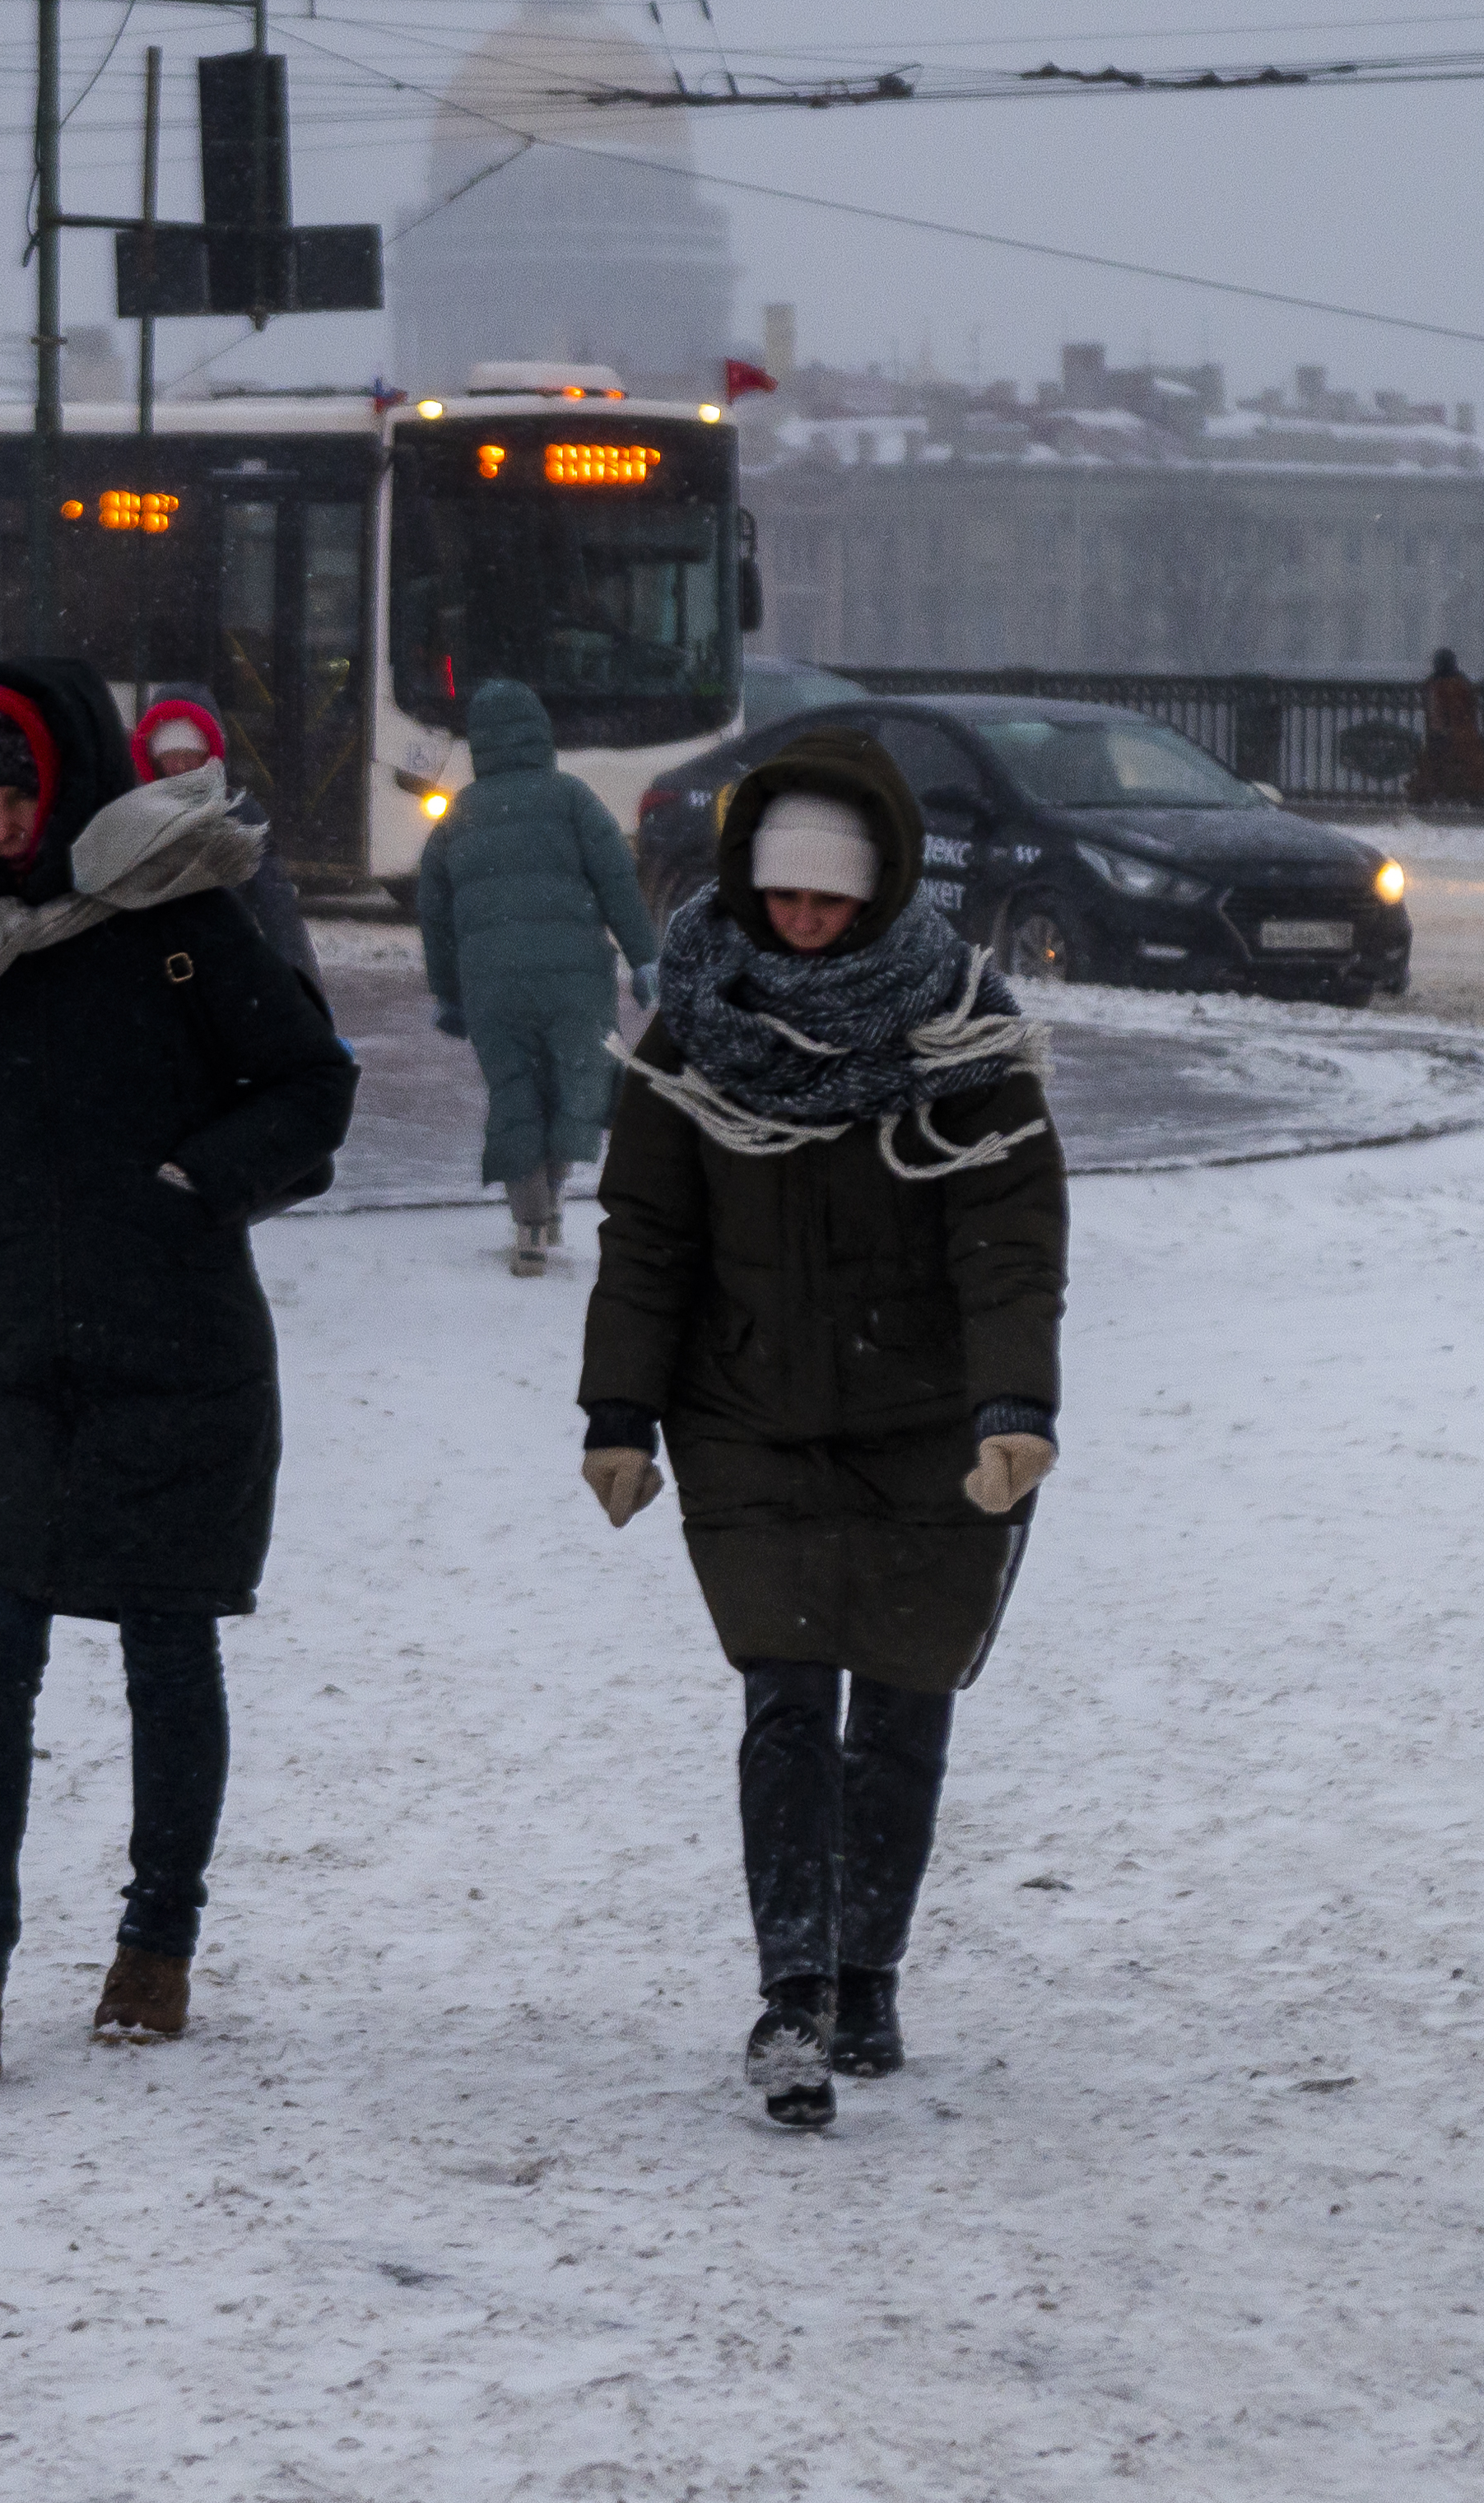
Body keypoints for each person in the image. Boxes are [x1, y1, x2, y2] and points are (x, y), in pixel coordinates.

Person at [0, 655, 358, 2084]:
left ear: (65, 779)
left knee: (165, 1642)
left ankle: (156, 1946)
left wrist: (196, 1183)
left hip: (177, 1344)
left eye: (21, 793)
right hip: (8, 1349)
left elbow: (312, 1088)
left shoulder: (178, 915)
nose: (5, 823)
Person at [575, 728, 1068, 2131]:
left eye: (828, 899)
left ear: (878, 888)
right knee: (786, 1695)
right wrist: (619, 1404)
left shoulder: (958, 1024)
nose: (802, 923)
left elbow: (1008, 1230)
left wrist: (1012, 1400)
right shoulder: (693, 1025)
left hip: (923, 1414)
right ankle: (792, 1993)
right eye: (781, 896)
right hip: (750, 1410)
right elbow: (649, 1232)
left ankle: (867, 1965)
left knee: (905, 1693)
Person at [413, 677, 663, 1277]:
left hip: (492, 985)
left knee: (515, 1093)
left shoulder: (455, 819)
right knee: (573, 1087)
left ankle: (527, 1224)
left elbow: (435, 918)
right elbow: (616, 883)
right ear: (540, 733)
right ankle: (551, 1200)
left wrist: (449, 993)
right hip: (575, 979)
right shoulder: (572, 800)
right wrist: (643, 957)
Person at [131, 694, 323, 986]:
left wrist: (304, 990)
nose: (180, 766)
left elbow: (277, 908)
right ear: (155, 757)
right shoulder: (134, 815)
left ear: (208, 754)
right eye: (170, 756)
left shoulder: (240, 814)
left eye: (189, 755)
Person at [1413, 645, 1484, 807]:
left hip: (1443, 740)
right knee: (1469, 771)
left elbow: (1437, 719)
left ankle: (1430, 797)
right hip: (1466, 739)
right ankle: (1473, 797)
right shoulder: (1463, 685)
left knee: (1433, 769)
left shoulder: (1435, 687)